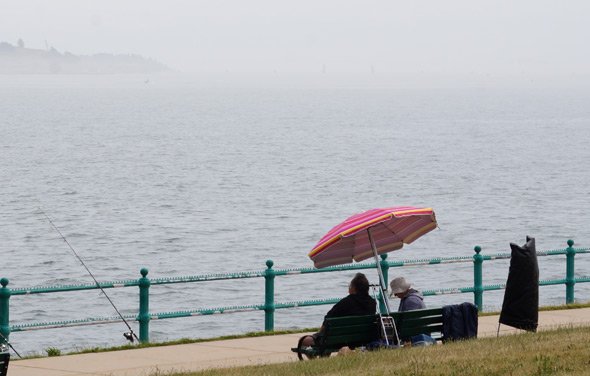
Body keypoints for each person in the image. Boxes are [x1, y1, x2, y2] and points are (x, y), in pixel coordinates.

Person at [300, 273, 377, 347]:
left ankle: (315, 359)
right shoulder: (372, 303)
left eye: (350, 286)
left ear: (354, 288)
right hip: (363, 339)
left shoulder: (346, 302)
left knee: (303, 340)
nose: (349, 288)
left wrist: (320, 333)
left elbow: (328, 318)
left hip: (338, 341)